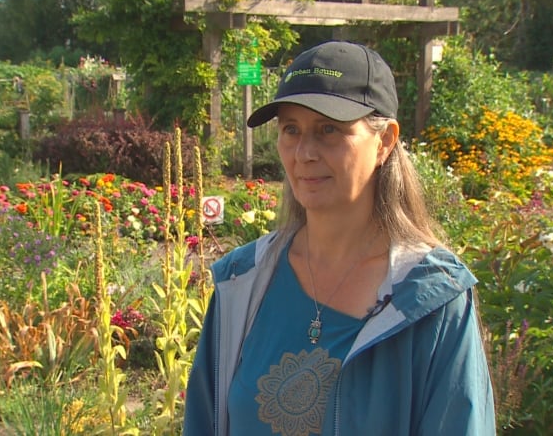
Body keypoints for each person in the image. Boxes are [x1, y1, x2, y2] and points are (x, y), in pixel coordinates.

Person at [184, 40, 495, 435]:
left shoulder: (430, 298)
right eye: (291, 130)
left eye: (329, 129)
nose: (305, 152)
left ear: (384, 141)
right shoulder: (241, 283)